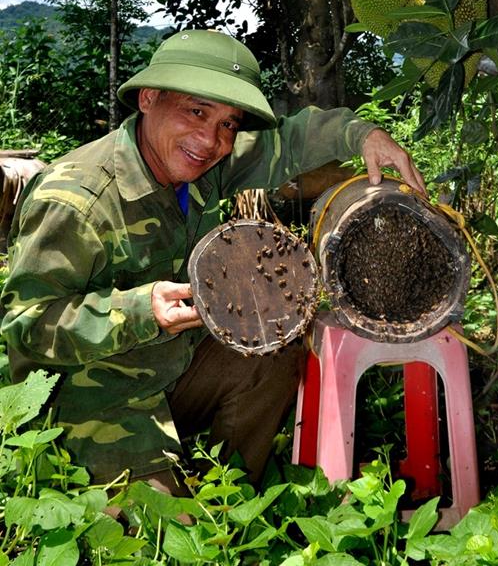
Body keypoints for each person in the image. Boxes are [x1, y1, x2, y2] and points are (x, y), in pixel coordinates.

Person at [0, 29, 425, 493]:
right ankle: (169, 496)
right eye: (196, 111)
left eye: (228, 123)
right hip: (90, 396)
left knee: (273, 350)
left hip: (170, 368)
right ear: (148, 98)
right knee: (166, 533)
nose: (211, 139)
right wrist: (139, 310)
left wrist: (364, 134)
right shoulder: (76, 200)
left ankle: (230, 495)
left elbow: (291, 140)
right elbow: (24, 328)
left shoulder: (202, 161)